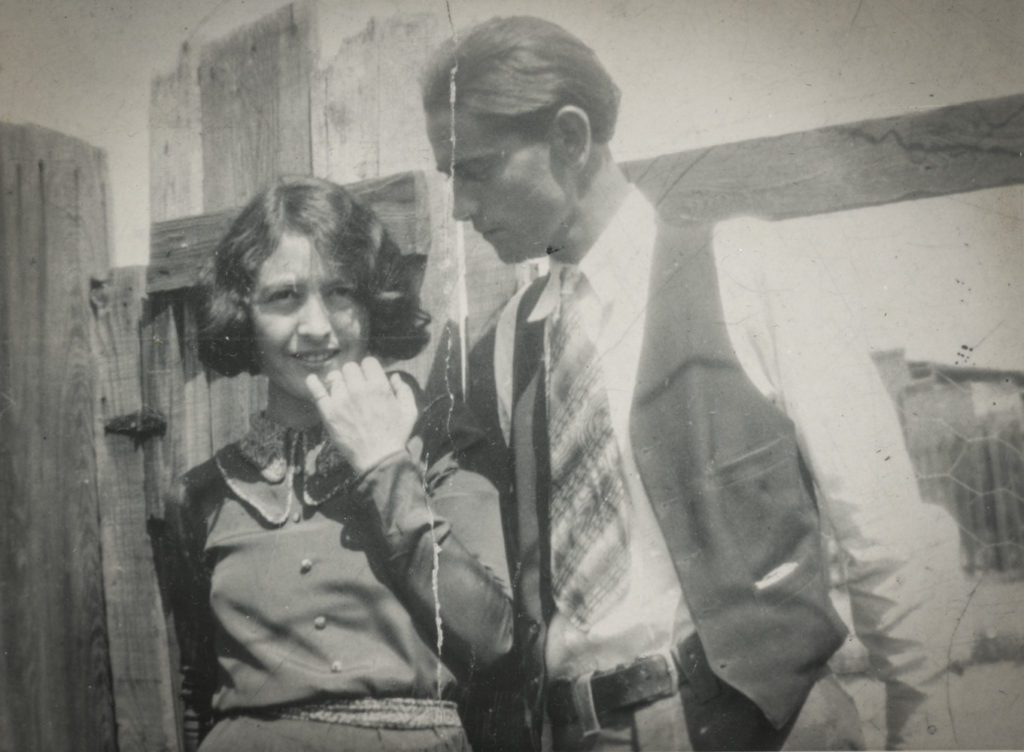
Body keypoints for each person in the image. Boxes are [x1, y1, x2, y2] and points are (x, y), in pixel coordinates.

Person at [420, 16, 948, 751]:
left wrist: (925, 723)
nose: (459, 209)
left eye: (475, 169)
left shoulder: (750, 272)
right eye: (451, 178)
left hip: (766, 727)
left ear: (570, 139)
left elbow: (884, 526)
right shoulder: (513, 342)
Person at [162, 176, 514, 752]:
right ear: (242, 314)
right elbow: (199, 689)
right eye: (284, 296)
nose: (318, 326)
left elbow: (492, 640)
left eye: (342, 292)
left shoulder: (440, 450)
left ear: (374, 304)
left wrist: (384, 465)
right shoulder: (202, 498)